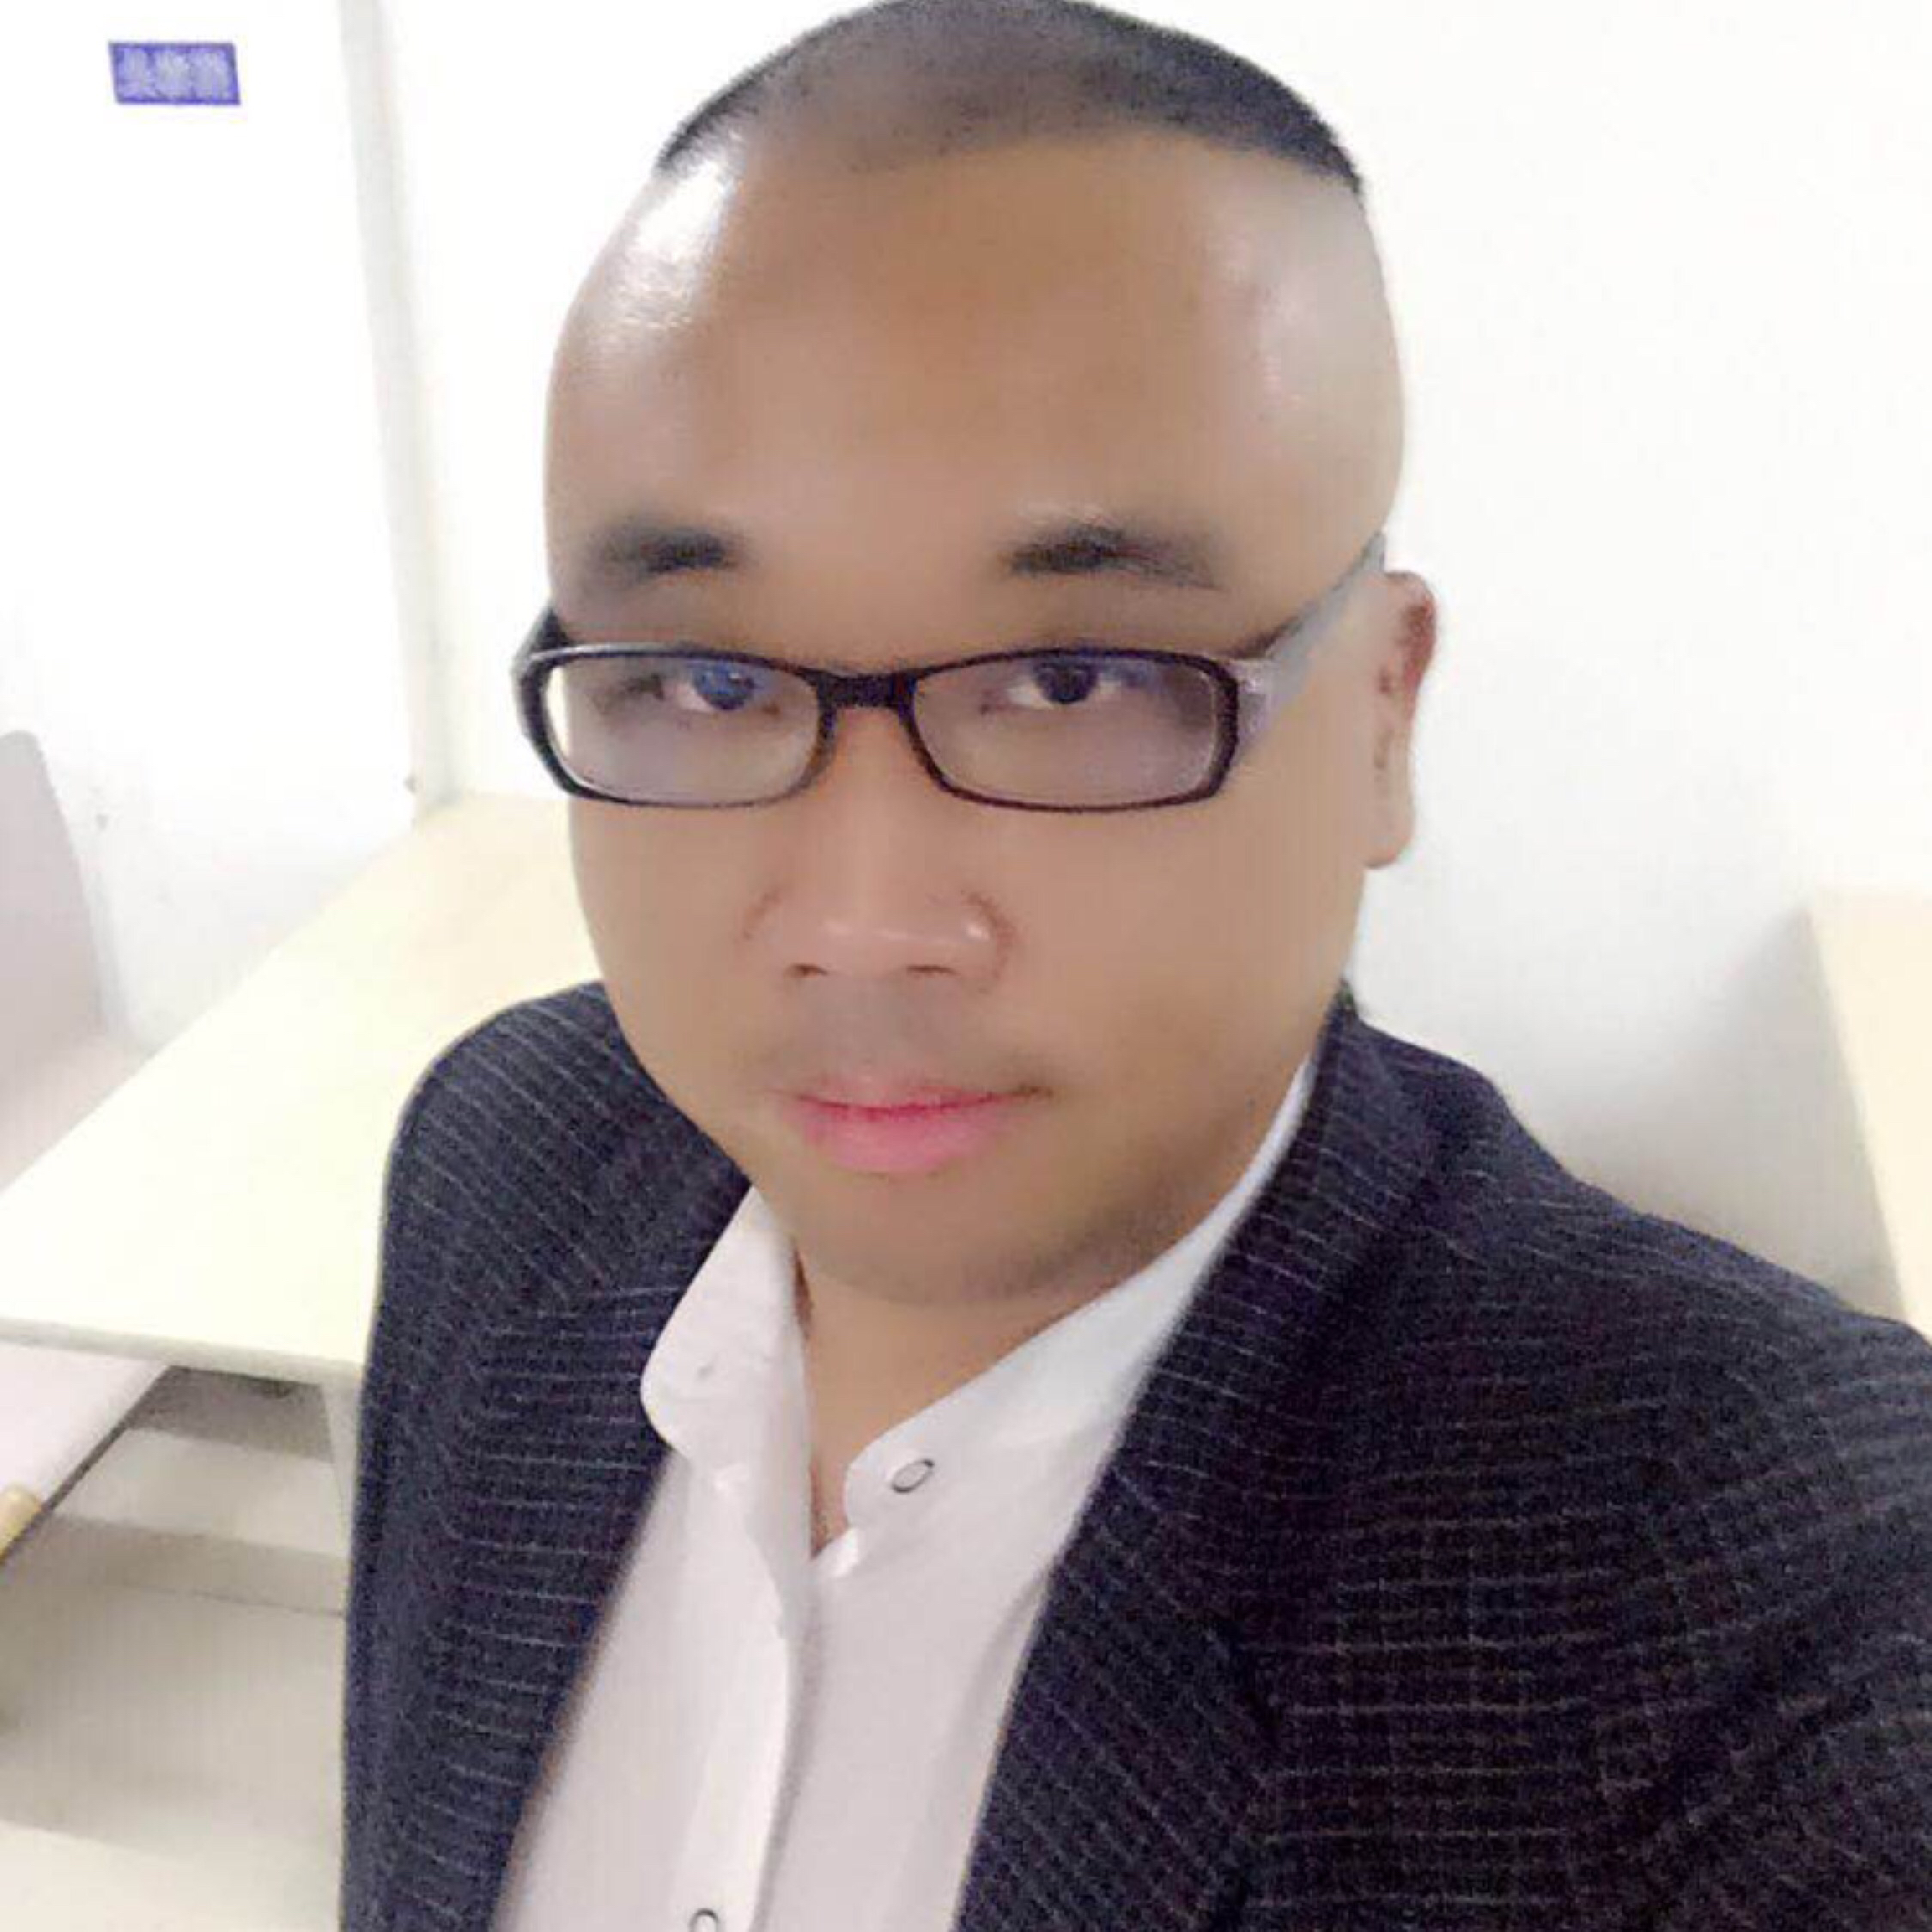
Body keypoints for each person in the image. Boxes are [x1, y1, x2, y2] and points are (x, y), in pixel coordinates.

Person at [339, 3, 1932, 1928]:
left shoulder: (1762, 1598)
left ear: (1381, 712)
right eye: (703, 679)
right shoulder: (507, 1158)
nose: (863, 920)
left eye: (1075, 680)